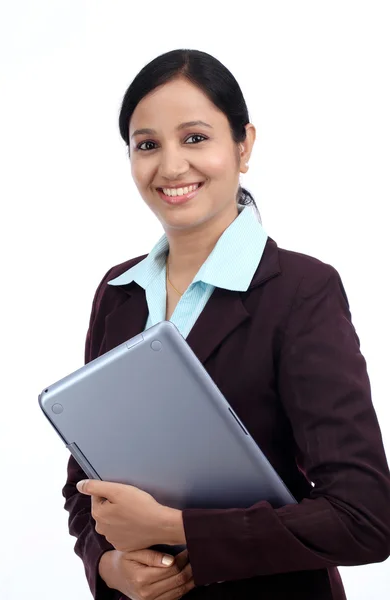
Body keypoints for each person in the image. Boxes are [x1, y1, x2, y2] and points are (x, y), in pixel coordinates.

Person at [62, 49, 390, 600]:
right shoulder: (118, 292)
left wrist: (176, 528)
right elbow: (83, 484)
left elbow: (364, 517)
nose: (169, 167)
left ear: (244, 146)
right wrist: (109, 566)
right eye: (147, 145)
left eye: (195, 138)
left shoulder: (300, 291)